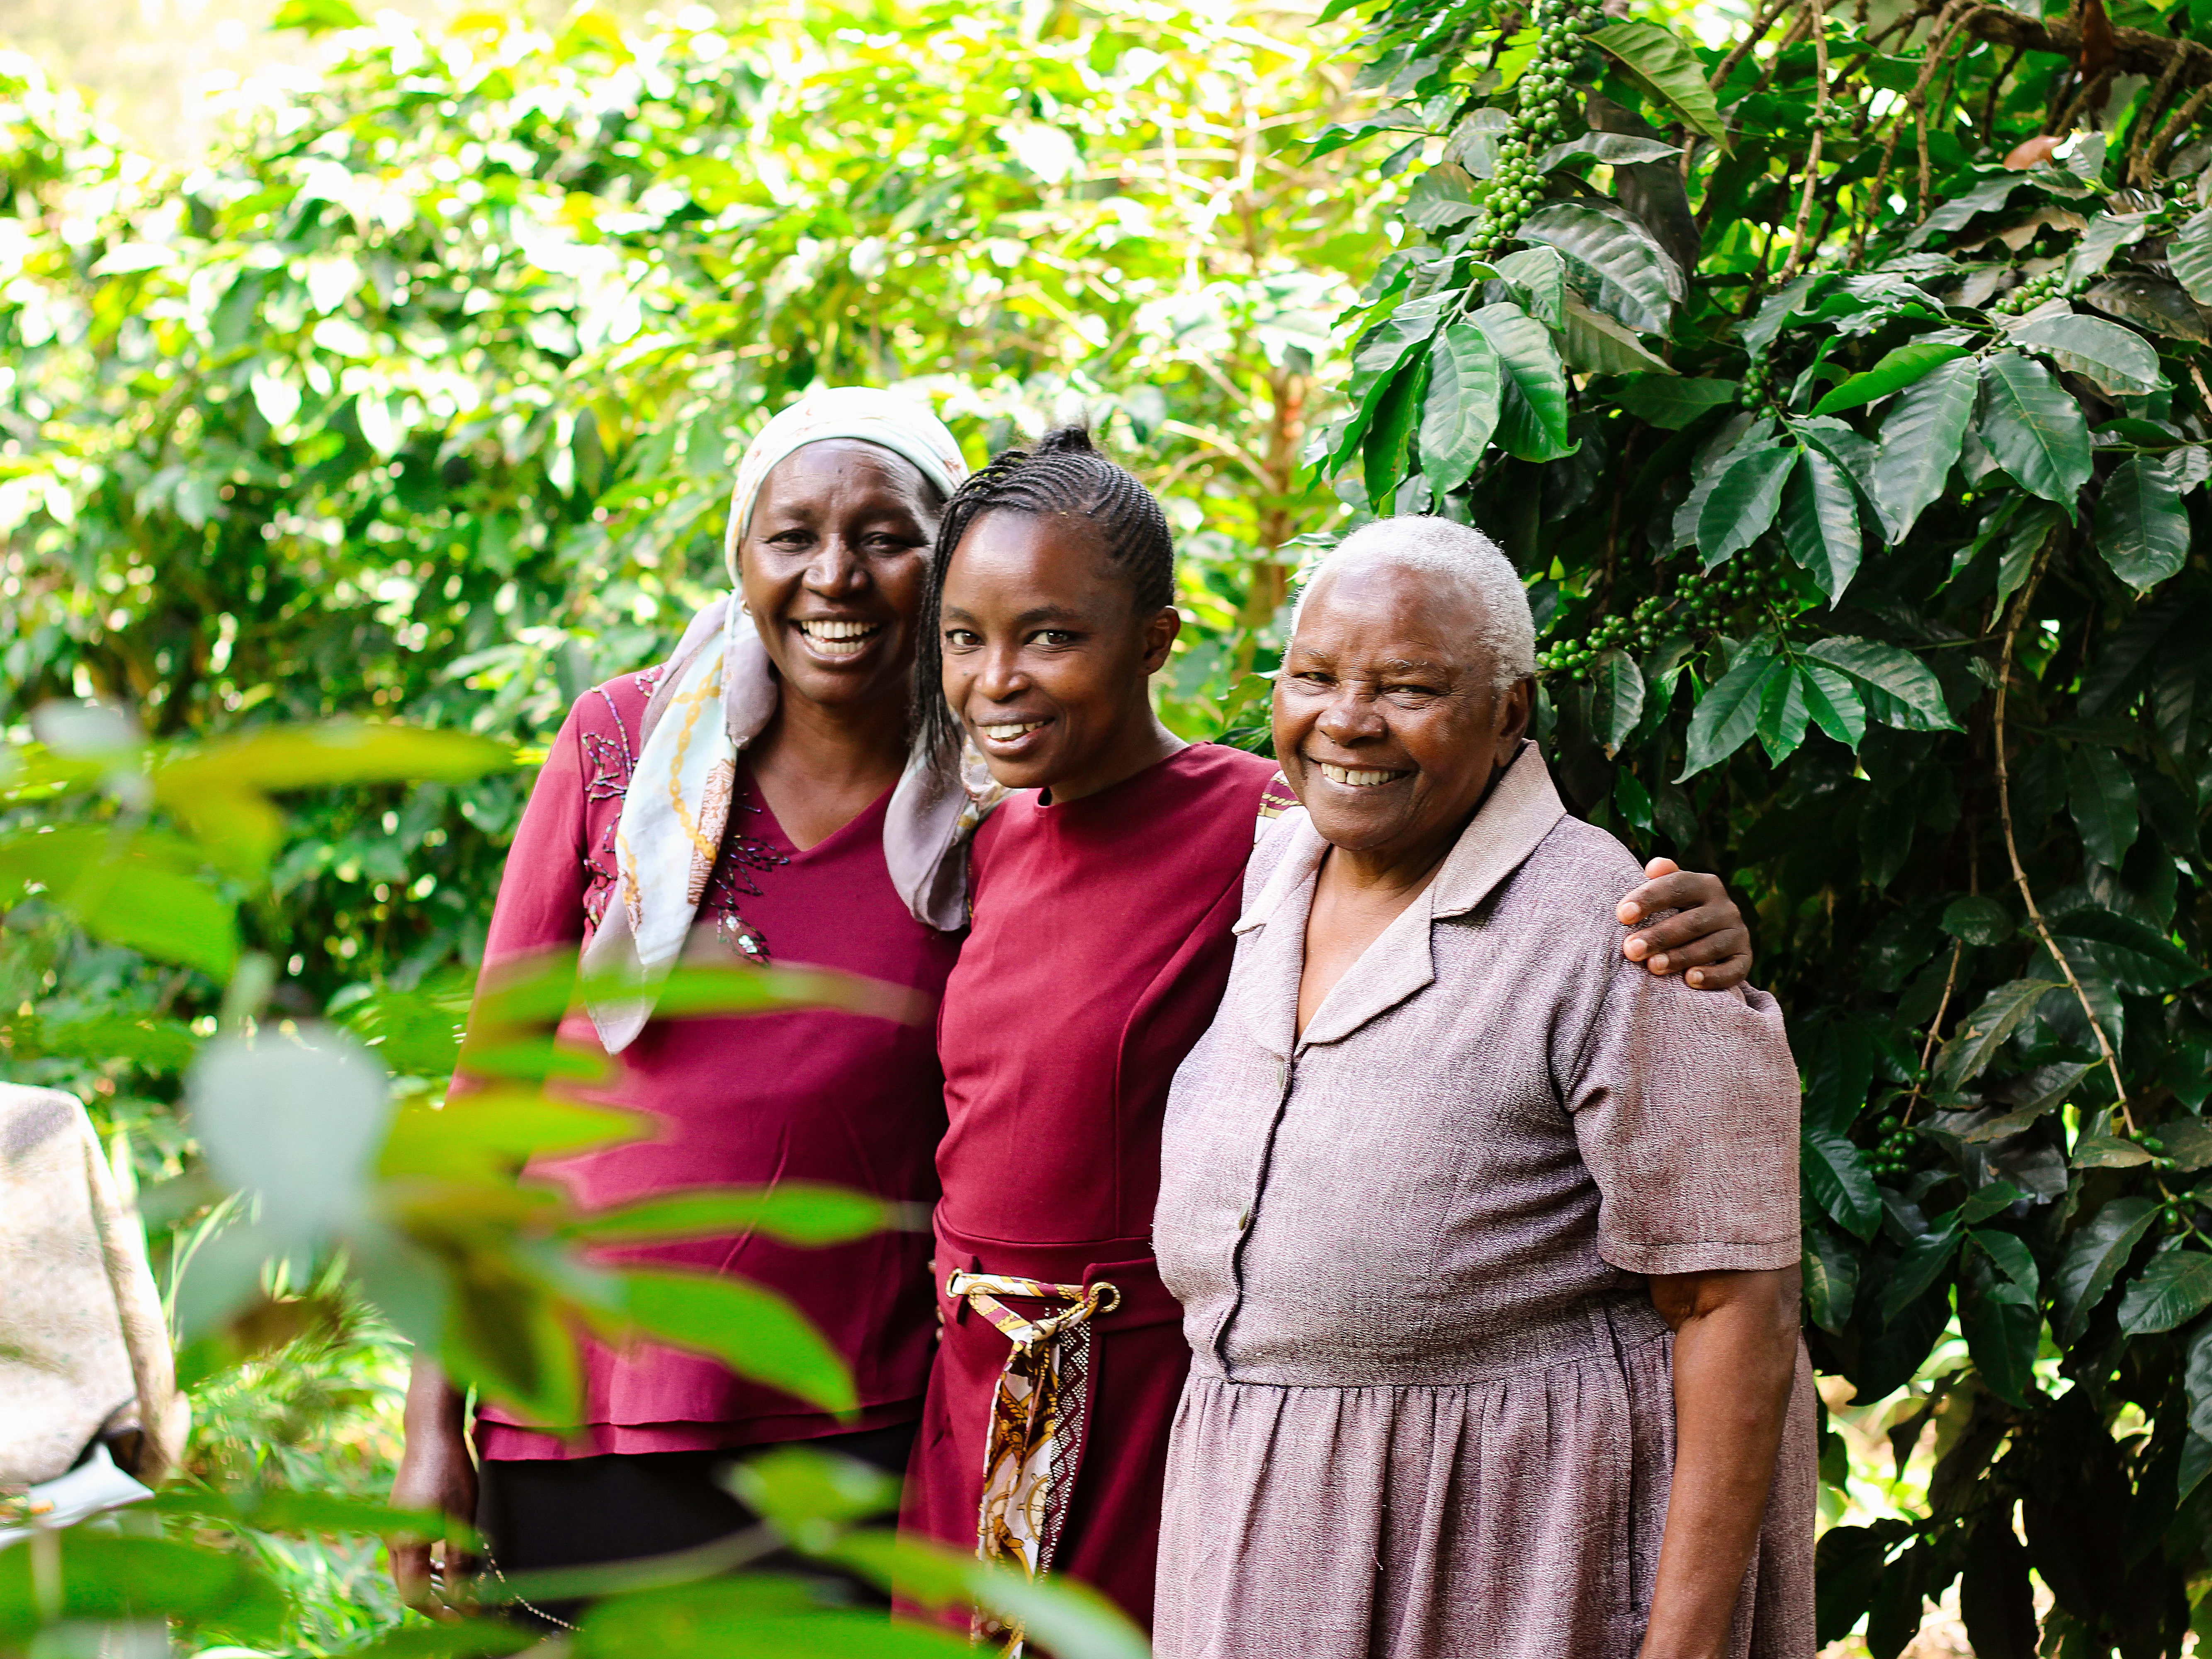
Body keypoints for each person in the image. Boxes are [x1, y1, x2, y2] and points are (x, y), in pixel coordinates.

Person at [895, 429, 1761, 1640]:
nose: (1000, 676)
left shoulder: (1272, 827)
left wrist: (1698, 922)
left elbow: (1484, 880)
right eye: (964, 637)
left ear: (1153, 642)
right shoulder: (1019, 845)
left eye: (1049, 636)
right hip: (1017, 1398)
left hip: (1203, 1409)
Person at [1150, 518, 1812, 1659]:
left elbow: (1735, 1308)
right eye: (1313, 677)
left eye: (1408, 689)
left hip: (1512, 1551)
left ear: (1509, 713)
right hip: (1250, 1527)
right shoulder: (1268, 864)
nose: (1348, 721)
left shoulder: (1624, 937)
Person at [388, 389, 982, 1625]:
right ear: (741, 554)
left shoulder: (995, 803)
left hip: (849, 1426)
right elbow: (492, 1098)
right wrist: (429, 1424)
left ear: (949, 562)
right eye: (793, 536)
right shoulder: (619, 744)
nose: (835, 576)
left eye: (886, 537)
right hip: (574, 1412)